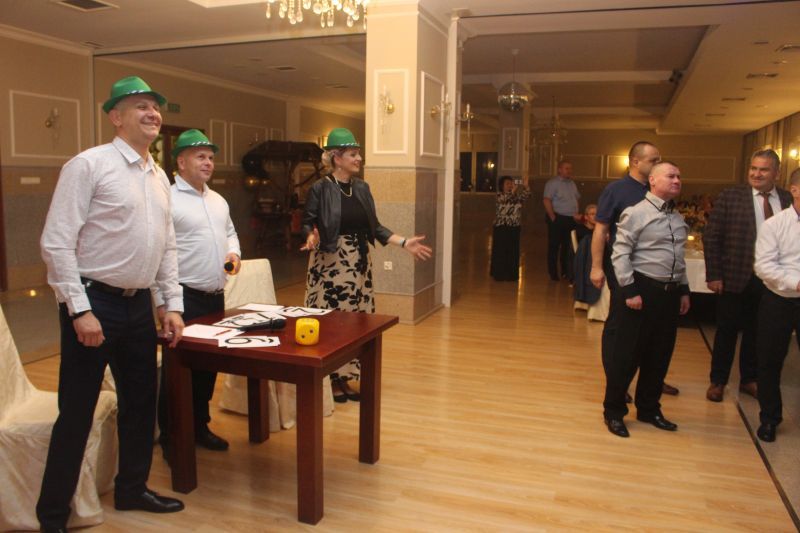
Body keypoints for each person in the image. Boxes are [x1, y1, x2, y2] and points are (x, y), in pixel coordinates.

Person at [38, 76, 185, 532]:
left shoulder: (159, 176)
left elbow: (167, 246)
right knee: (77, 411)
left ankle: (132, 489)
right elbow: (56, 242)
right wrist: (79, 310)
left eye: (155, 106)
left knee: (140, 403)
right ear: (116, 117)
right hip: (94, 302)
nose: (152, 113)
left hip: (139, 306)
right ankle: (52, 515)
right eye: (140, 105)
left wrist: (171, 303)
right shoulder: (88, 165)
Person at [301, 128, 432, 402]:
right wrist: (311, 235)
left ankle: (346, 377)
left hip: (359, 262)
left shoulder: (362, 188)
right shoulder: (320, 188)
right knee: (334, 320)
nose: (359, 158)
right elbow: (307, 221)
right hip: (331, 263)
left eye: (358, 153)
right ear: (337, 158)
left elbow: (375, 227)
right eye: (353, 154)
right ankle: (331, 379)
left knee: (355, 320)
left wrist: (404, 242)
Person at [155, 129, 241, 456]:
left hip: (214, 298)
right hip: (183, 299)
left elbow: (231, 233)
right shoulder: (168, 198)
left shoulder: (218, 200)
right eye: (201, 157)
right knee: (177, 371)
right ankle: (171, 437)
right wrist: (162, 302)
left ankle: (199, 427)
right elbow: (158, 251)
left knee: (206, 368)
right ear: (181, 162)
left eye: (211, 157)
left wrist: (234, 253)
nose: (208, 163)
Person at [603, 161, 690, 438]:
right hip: (641, 290)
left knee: (659, 355)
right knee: (626, 356)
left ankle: (649, 408)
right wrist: (629, 291)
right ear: (653, 180)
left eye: (679, 176)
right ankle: (613, 411)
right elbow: (620, 254)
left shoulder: (676, 217)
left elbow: (678, 258)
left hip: (669, 294)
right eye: (670, 176)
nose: (677, 180)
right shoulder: (636, 212)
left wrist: (684, 290)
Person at [590, 141, 680, 398]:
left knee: (652, 328)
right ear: (635, 162)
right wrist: (596, 267)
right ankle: (617, 382)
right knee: (620, 325)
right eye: (653, 160)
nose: (658, 163)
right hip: (624, 267)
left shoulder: (660, 190)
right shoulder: (616, 190)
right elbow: (601, 230)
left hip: (652, 273)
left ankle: (651, 379)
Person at [702, 149, 791, 402]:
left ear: (777, 173)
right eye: (753, 168)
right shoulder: (731, 196)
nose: (756, 174)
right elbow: (712, 237)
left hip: (772, 280)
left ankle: (749, 379)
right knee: (726, 331)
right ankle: (718, 380)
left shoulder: (787, 199)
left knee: (758, 332)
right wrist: (714, 274)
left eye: (763, 169)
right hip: (735, 276)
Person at [752, 167, 800, 442]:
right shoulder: (775, 225)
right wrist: (796, 283)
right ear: (794, 190)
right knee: (770, 361)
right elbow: (764, 266)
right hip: (778, 300)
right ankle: (770, 418)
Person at [543, 160, 580, 281]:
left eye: (570, 168)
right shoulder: (552, 183)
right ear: (559, 169)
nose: (569, 171)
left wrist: (576, 213)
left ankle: (565, 271)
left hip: (571, 219)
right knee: (554, 246)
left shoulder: (572, 183)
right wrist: (552, 217)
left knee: (568, 247)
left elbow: (576, 199)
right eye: (566, 168)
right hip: (558, 218)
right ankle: (553, 273)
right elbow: (546, 200)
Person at [490, 175, 531, 281]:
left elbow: (525, 197)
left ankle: (511, 275)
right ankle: (499, 274)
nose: (510, 186)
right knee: (501, 251)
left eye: (511, 183)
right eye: (507, 184)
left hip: (514, 227)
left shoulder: (515, 197)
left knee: (513, 251)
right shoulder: (499, 195)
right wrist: (512, 192)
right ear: (501, 185)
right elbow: (504, 201)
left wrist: (526, 186)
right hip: (502, 227)